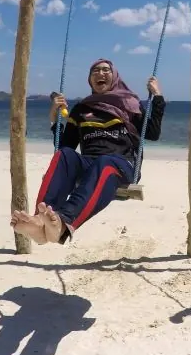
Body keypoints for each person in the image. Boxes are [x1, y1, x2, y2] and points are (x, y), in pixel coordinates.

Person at [11, 58, 165, 246]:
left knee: (105, 162)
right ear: (90, 79)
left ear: (115, 76)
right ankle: (41, 221)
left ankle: (64, 222)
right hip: (89, 165)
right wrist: (55, 119)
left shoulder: (129, 104)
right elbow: (65, 145)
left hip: (121, 164)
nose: (100, 74)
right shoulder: (82, 109)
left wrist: (157, 97)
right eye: (95, 71)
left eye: (106, 70)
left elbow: (153, 133)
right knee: (64, 155)